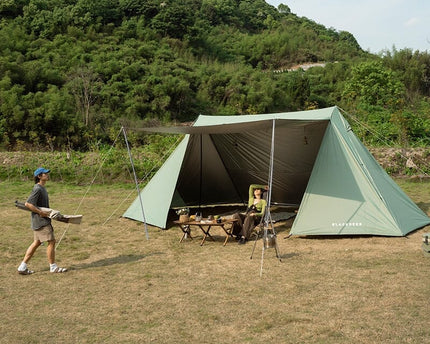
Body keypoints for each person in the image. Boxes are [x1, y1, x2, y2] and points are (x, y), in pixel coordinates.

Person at [17, 167, 67, 275]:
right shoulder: (37, 189)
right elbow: (28, 204)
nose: (47, 175)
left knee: (37, 242)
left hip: (38, 221)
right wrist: (41, 213)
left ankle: (22, 266)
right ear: (39, 176)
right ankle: (53, 267)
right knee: (51, 241)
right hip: (41, 221)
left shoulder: (42, 188)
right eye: (45, 174)